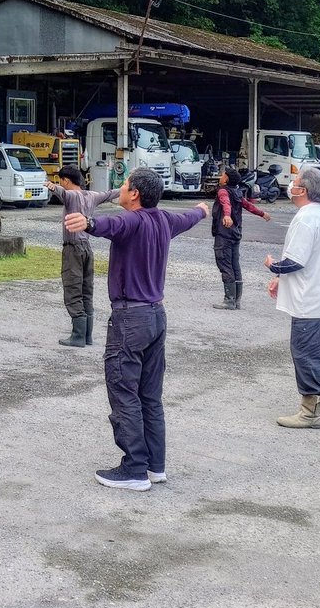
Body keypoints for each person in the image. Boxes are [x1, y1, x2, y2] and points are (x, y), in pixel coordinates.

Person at [64, 168, 208, 490]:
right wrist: (201, 210)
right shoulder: (165, 220)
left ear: (136, 194)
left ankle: (134, 469)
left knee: (124, 391)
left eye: (125, 185)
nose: (121, 188)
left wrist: (88, 223)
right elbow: (189, 217)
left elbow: (112, 224)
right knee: (150, 396)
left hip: (131, 319)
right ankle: (155, 466)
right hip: (157, 317)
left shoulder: (134, 220)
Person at [264, 166, 320, 428]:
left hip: (310, 300)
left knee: (308, 353)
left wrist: (273, 266)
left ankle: (310, 411)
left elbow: (295, 261)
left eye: (296, 182)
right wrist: (280, 278)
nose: (291, 185)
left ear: (304, 190)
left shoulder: (305, 218)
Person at [46, 164, 117, 347]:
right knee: (87, 290)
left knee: (72, 289)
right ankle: (87, 335)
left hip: (72, 248)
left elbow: (62, 193)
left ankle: (78, 335)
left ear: (66, 180)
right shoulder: (92, 196)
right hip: (87, 247)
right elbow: (110, 194)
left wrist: (53, 187)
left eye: (61, 180)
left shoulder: (71, 195)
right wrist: (126, 188)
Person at [210, 167, 271, 310]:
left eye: (223, 175)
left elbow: (226, 203)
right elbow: (248, 205)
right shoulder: (237, 191)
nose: (221, 176)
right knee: (235, 264)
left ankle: (229, 300)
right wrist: (262, 214)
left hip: (224, 234)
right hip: (235, 233)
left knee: (225, 264)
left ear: (226, 179)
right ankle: (236, 300)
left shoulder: (223, 191)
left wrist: (226, 215)